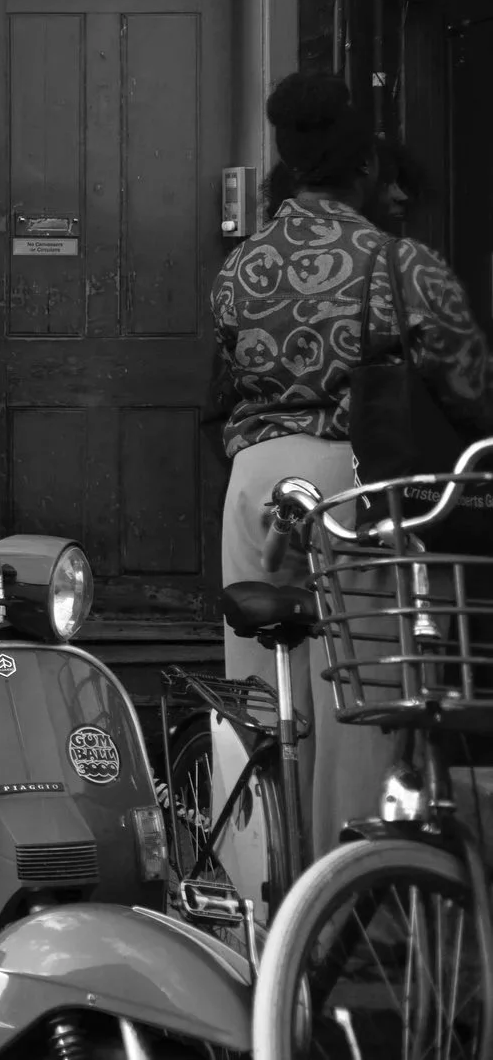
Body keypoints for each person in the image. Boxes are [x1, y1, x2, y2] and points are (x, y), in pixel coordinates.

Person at [213, 72, 493, 842]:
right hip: (352, 481)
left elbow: (224, 379)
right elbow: (472, 387)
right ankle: (355, 884)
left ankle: (261, 880)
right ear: (365, 163)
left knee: (260, 699)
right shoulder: (400, 264)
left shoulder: (241, 267)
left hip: (254, 481)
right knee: (362, 703)